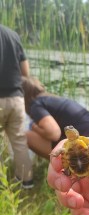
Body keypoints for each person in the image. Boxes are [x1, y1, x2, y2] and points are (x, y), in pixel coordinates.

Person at [22, 76, 89, 160]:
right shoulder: (51, 99)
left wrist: (34, 127)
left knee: (24, 135)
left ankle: (57, 166)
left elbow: (53, 133)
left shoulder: (36, 105)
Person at [0, 24, 33, 189]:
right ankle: (26, 182)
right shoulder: (13, 35)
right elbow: (25, 73)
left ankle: (1, 184)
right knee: (20, 141)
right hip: (16, 99)